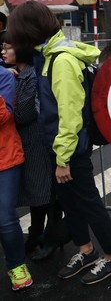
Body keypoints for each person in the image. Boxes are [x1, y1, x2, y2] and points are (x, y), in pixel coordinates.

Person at [7, 1, 111, 285]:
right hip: (59, 148)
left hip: (70, 151)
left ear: (30, 30)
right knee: (71, 204)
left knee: (88, 203)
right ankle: (85, 250)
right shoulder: (48, 56)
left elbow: (69, 116)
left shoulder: (61, 60)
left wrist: (63, 159)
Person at [1, 38, 61, 257]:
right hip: (27, 141)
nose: (3, 51)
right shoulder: (19, 75)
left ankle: (44, 236)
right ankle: (40, 234)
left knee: (42, 191)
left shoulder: (31, 75)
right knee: (40, 191)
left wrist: (11, 89)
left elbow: (21, 114)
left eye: (8, 47)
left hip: (35, 140)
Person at [0, 64, 33, 291]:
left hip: (5, 158)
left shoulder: (4, 76)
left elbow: (4, 116)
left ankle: (17, 265)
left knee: (5, 218)